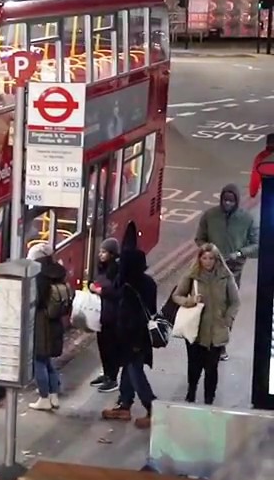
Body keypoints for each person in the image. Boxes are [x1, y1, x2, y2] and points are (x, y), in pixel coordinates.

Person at [102, 222, 158, 429]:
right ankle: (125, 405)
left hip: (132, 337)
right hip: (139, 336)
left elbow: (126, 312)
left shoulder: (129, 286)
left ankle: (153, 407)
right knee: (129, 369)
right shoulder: (148, 283)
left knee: (135, 372)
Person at [195, 184, 258, 360]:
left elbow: (256, 244)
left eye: (231, 201)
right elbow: (199, 238)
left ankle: (220, 345)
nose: (227, 203)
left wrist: (239, 253)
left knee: (226, 308)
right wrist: (208, 251)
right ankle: (205, 342)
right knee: (207, 307)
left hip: (233, 271)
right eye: (224, 200)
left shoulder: (247, 219)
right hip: (210, 270)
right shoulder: (210, 216)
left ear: (237, 201)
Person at [172, 243, 240, 405]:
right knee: (194, 367)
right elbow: (177, 295)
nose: (208, 262)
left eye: (211, 258)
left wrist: (228, 319)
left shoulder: (225, 276)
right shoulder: (192, 276)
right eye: (204, 258)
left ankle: (209, 399)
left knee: (211, 369)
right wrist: (190, 301)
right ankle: (191, 393)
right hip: (196, 330)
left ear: (217, 259)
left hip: (217, 331)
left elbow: (235, 302)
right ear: (199, 259)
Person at [27, 243, 71, 411]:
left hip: (41, 322)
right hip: (55, 321)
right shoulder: (58, 272)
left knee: (38, 359)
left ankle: (44, 397)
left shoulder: (40, 275)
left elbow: (37, 300)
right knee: (48, 361)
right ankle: (54, 395)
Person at [90, 238, 122, 393]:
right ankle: (106, 373)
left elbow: (117, 291)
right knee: (102, 345)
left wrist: (99, 291)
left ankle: (112, 378)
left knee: (111, 347)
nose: (100, 255)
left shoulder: (118, 269)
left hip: (112, 315)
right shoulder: (102, 268)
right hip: (100, 313)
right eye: (100, 252)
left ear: (111, 253)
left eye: (104, 252)